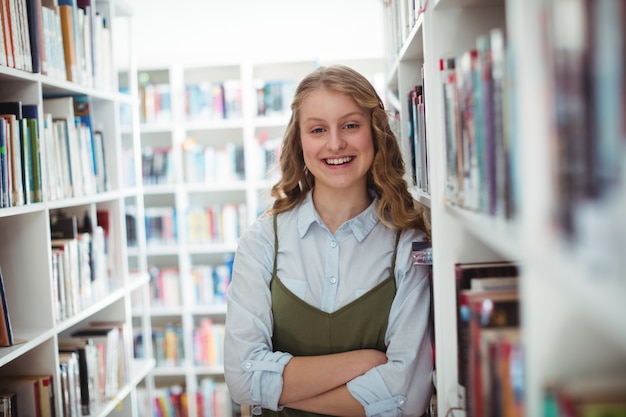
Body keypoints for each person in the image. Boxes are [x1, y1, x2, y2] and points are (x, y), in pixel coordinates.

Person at [224, 65, 433, 417]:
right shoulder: (262, 241)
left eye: (351, 125)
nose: (335, 143)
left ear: (375, 132)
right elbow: (240, 379)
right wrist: (364, 361)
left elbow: (405, 399)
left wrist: (274, 392)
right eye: (318, 129)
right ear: (300, 141)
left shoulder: (408, 245)